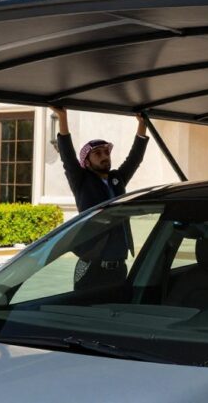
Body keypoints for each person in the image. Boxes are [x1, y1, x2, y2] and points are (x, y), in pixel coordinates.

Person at [50, 107, 149, 288]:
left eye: (106, 153)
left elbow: (135, 158)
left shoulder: (116, 178)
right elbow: (67, 156)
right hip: (91, 266)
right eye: (98, 154)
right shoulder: (81, 180)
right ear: (86, 162)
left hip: (119, 268)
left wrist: (142, 125)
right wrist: (62, 117)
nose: (105, 157)